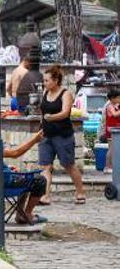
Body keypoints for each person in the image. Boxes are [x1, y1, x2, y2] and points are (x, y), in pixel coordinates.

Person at [0, 117, 47, 224]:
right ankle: (26, 214)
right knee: (39, 180)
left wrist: (6, 168)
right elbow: (15, 153)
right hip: (2, 182)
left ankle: (21, 214)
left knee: (23, 177)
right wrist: (34, 139)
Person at [38, 66, 86, 205]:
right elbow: (43, 112)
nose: (44, 83)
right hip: (46, 135)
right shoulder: (46, 92)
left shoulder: (66, 94)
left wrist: (51, 117)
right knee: (45, 166)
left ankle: (80, 191)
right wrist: (41, 127)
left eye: (47, 80)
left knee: (68, 164)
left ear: (56, 80)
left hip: (62, 135)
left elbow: (65, 113)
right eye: (44, 80)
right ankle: (45, 196)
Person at [98, 89, 120, 173]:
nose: (119, 99)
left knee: (115, 149)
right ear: (112, 98)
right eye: (118, 98)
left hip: (115, 130)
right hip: (111, 131)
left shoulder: (116, 105)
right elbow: (114, 114)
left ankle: (112, 166)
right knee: (111, 148)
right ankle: (107, 167)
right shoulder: (109, 106)